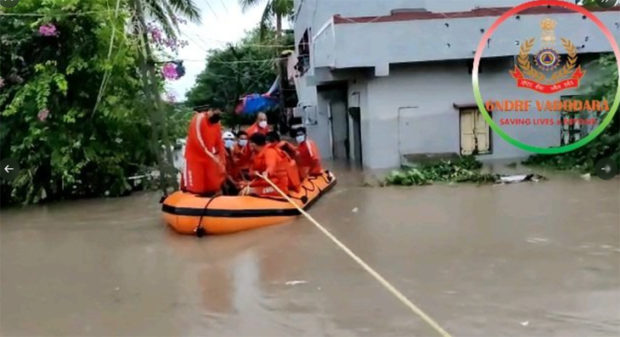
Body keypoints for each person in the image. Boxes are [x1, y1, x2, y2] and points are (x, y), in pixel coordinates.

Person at [182, 108, 226, 196]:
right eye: (216, 114)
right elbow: (197, 139)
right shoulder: (199, 118)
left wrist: (221, 157)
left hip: (208, 156)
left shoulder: (216, 122)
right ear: (210, 111)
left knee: (213, 185)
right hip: (195, 157)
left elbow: (219, 141)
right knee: (196, 187)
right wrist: (211, 155)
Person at [241, 133, 289, 197]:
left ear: (253, 144)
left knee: (249, 191)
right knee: (243, 186)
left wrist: (267, 172)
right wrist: (253, 173)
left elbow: (271, 165)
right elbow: (252, 169)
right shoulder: (256, 154)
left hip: (278, 184)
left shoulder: (270, 152)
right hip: (266, 181)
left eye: (250, 143)